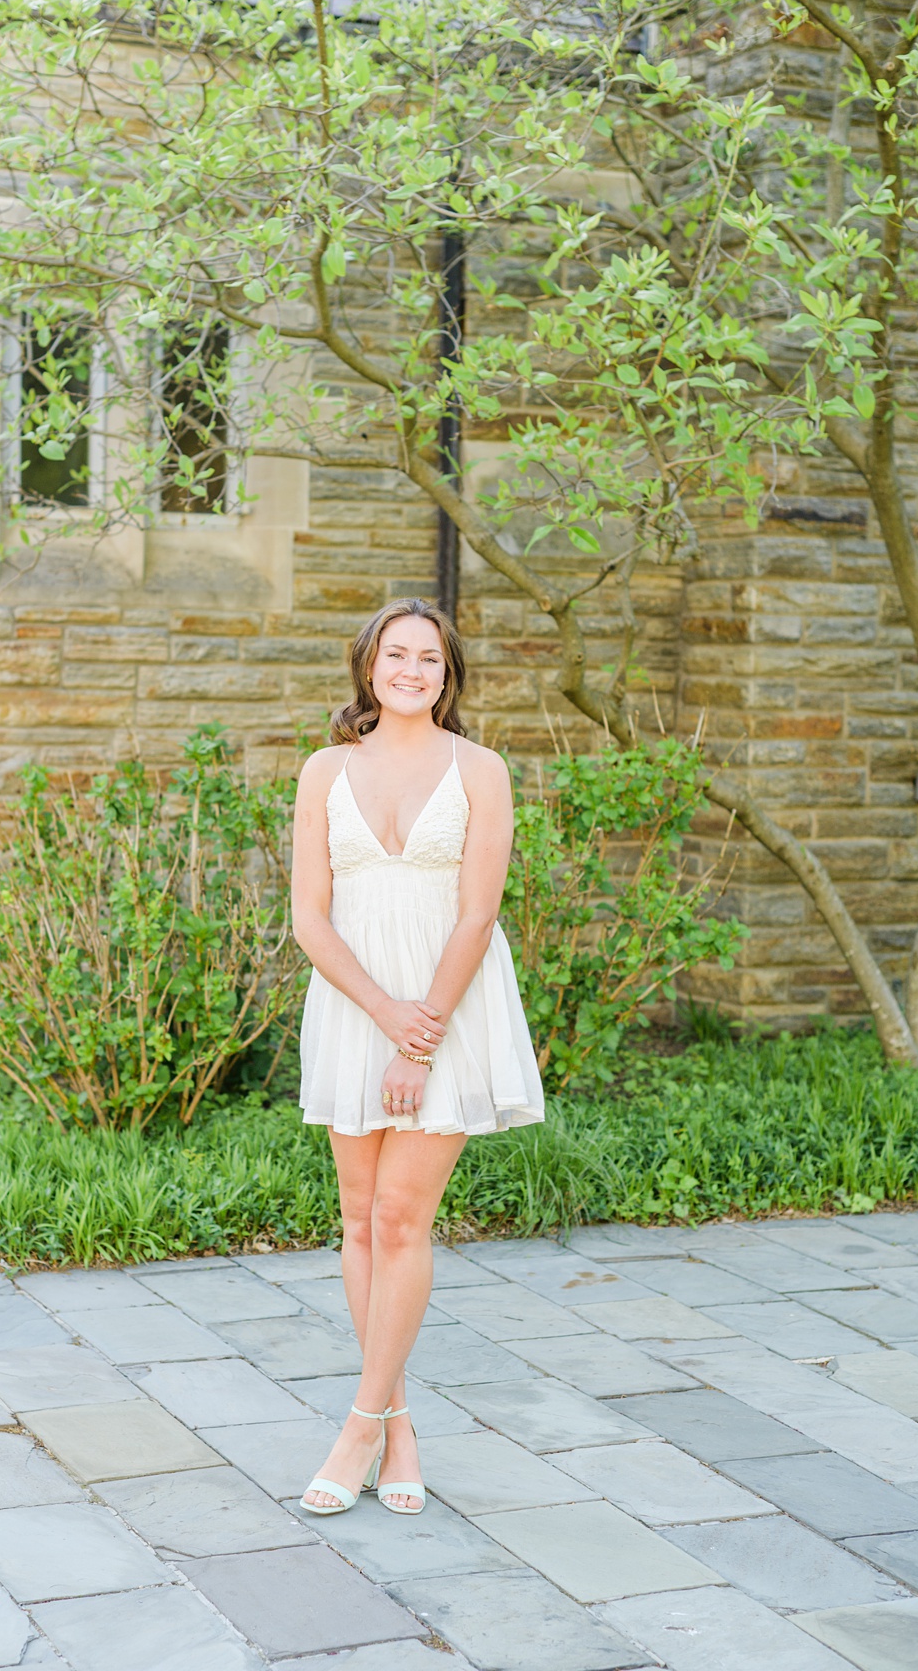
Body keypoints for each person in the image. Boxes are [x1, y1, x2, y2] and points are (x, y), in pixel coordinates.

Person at [288, 597, 543, 1518]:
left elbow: (477, 914)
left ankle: (356, 1425)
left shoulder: (480, 769)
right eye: (395, 654)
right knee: (357, 1220)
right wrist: (384, 1015)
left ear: (447, 674)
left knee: (401, 1218)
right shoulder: (325, 770)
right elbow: (308, 918)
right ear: (368, 667)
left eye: (428, 658)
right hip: (357, 1005)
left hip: (450, 1006)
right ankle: (397, 1425)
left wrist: (421, 1031)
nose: (411, 669)